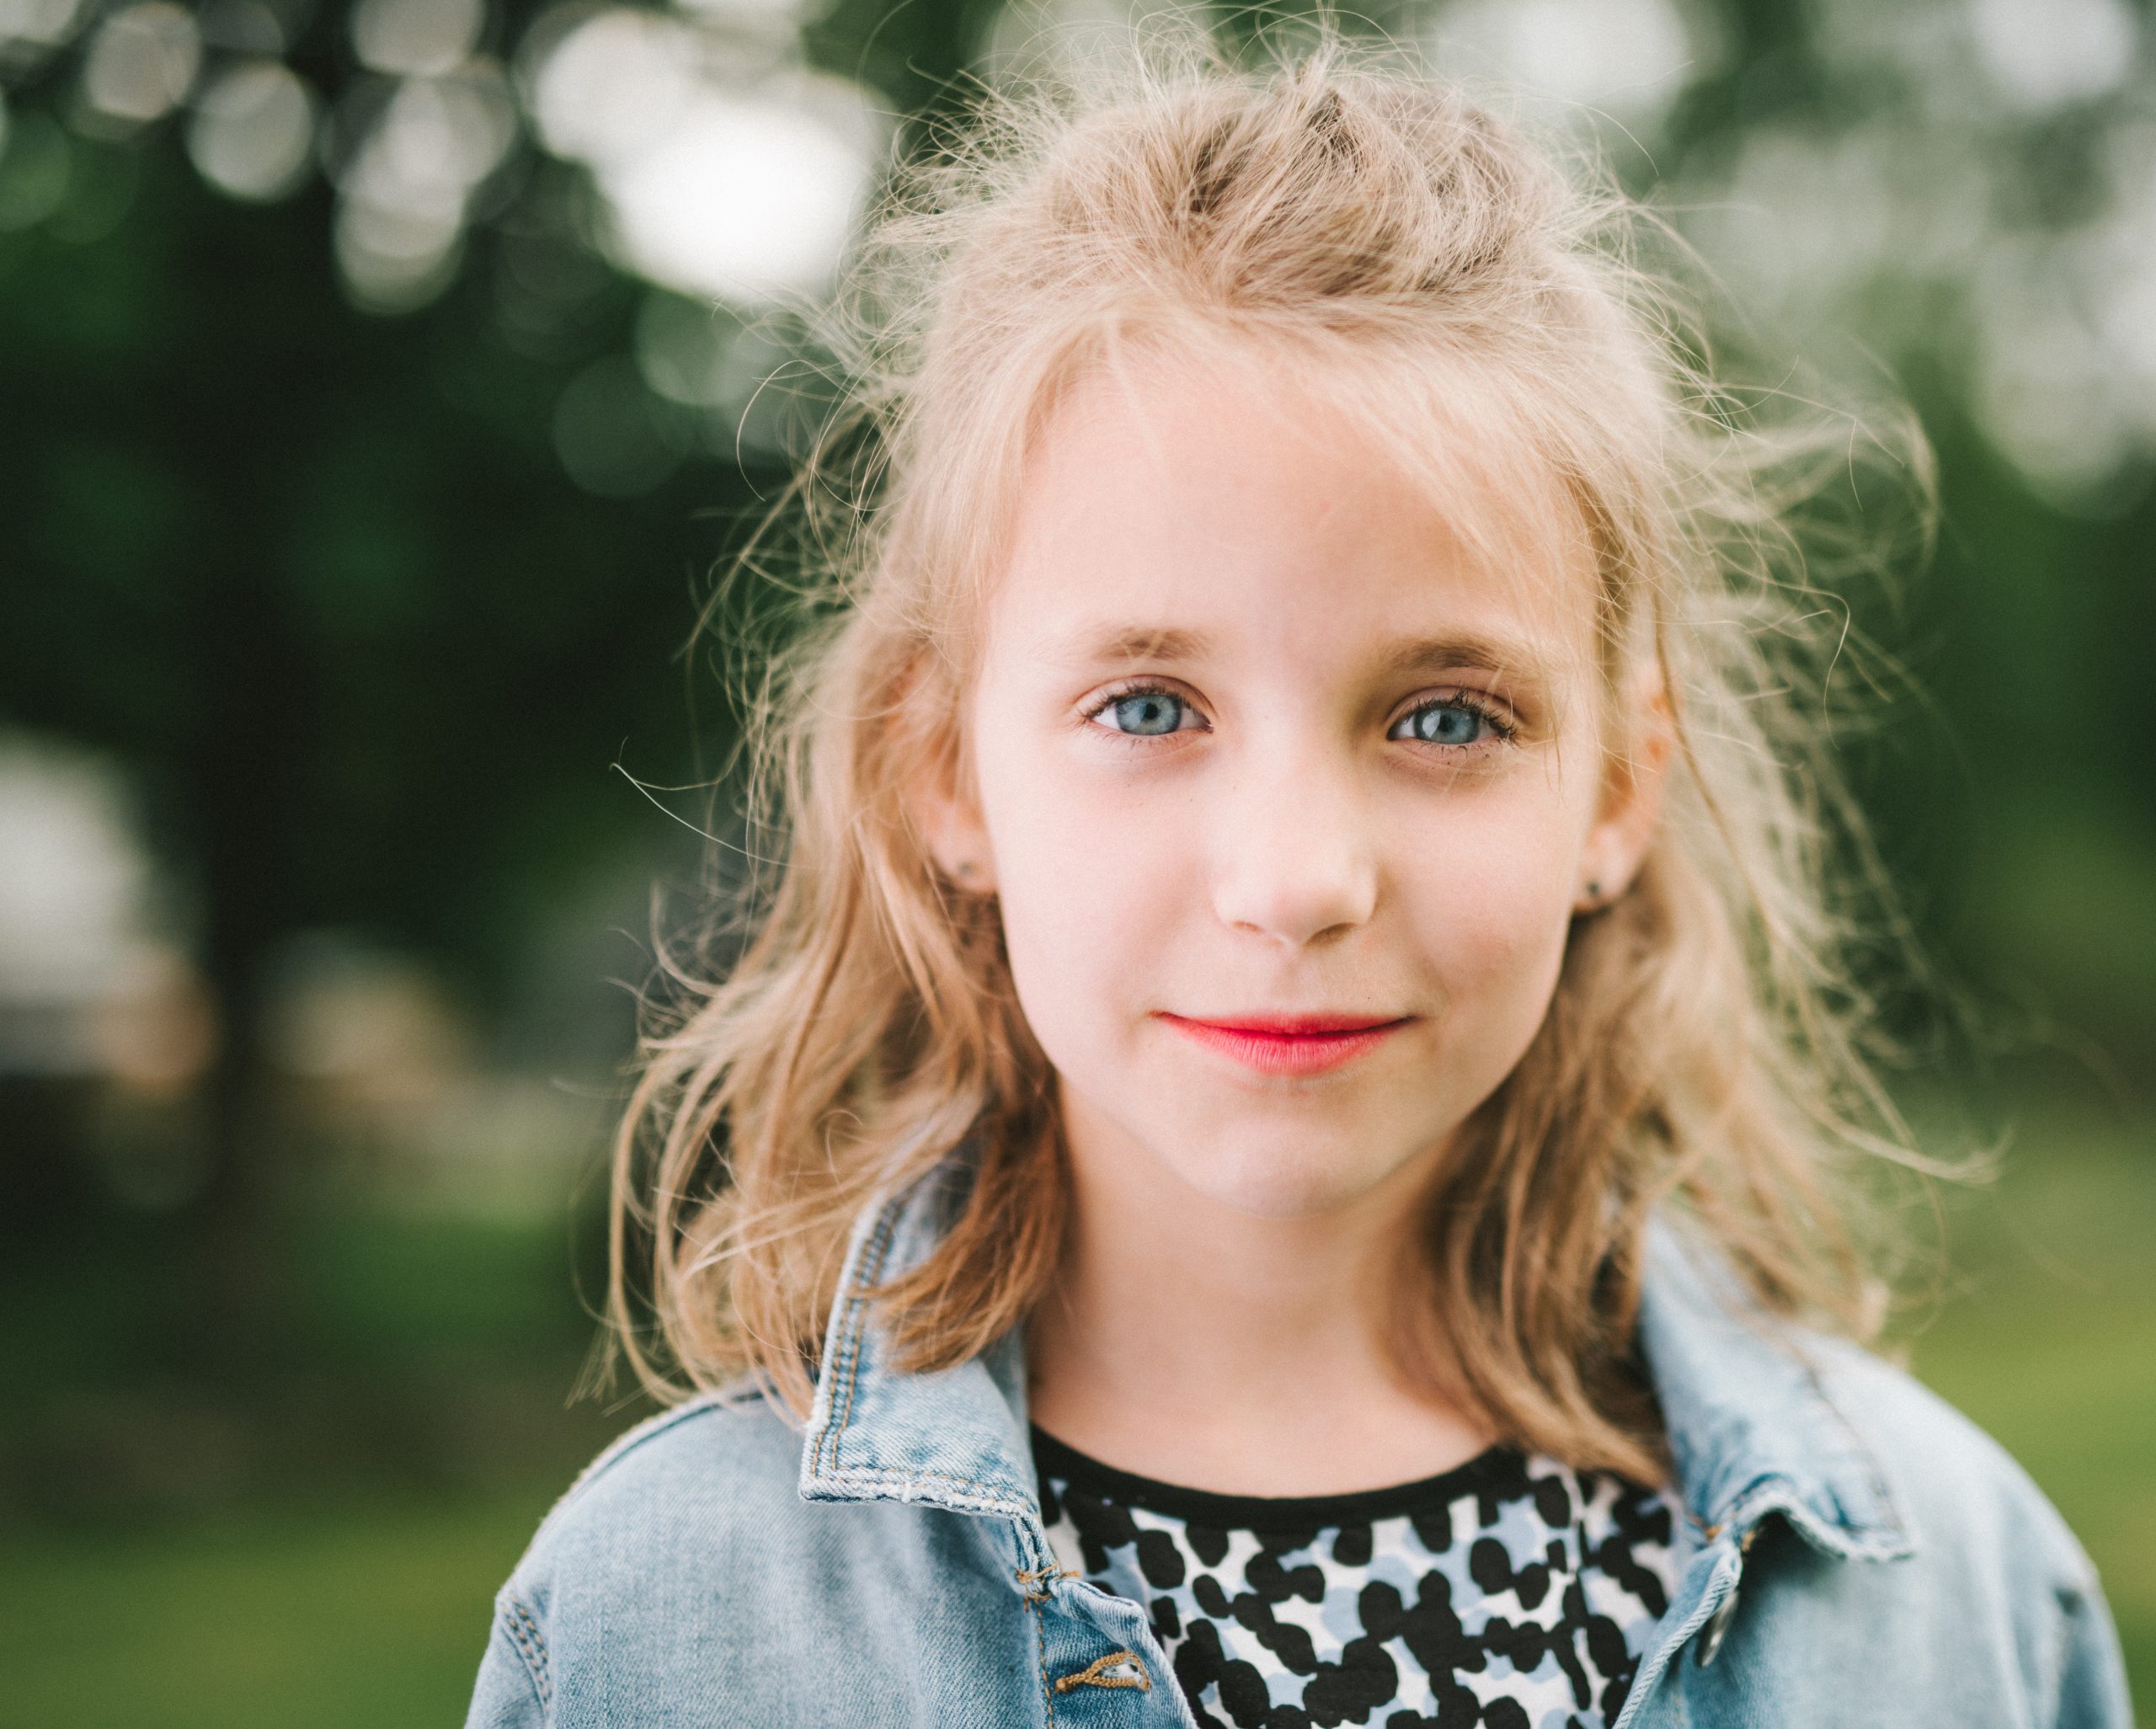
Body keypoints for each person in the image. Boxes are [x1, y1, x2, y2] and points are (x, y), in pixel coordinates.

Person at [465, 33, 2132, 1729]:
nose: (1292, 882)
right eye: (1145, 707)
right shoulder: (666, 1627)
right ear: (945, 774)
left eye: (1440, 715)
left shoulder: (1949, 1601)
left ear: (1619, 786)